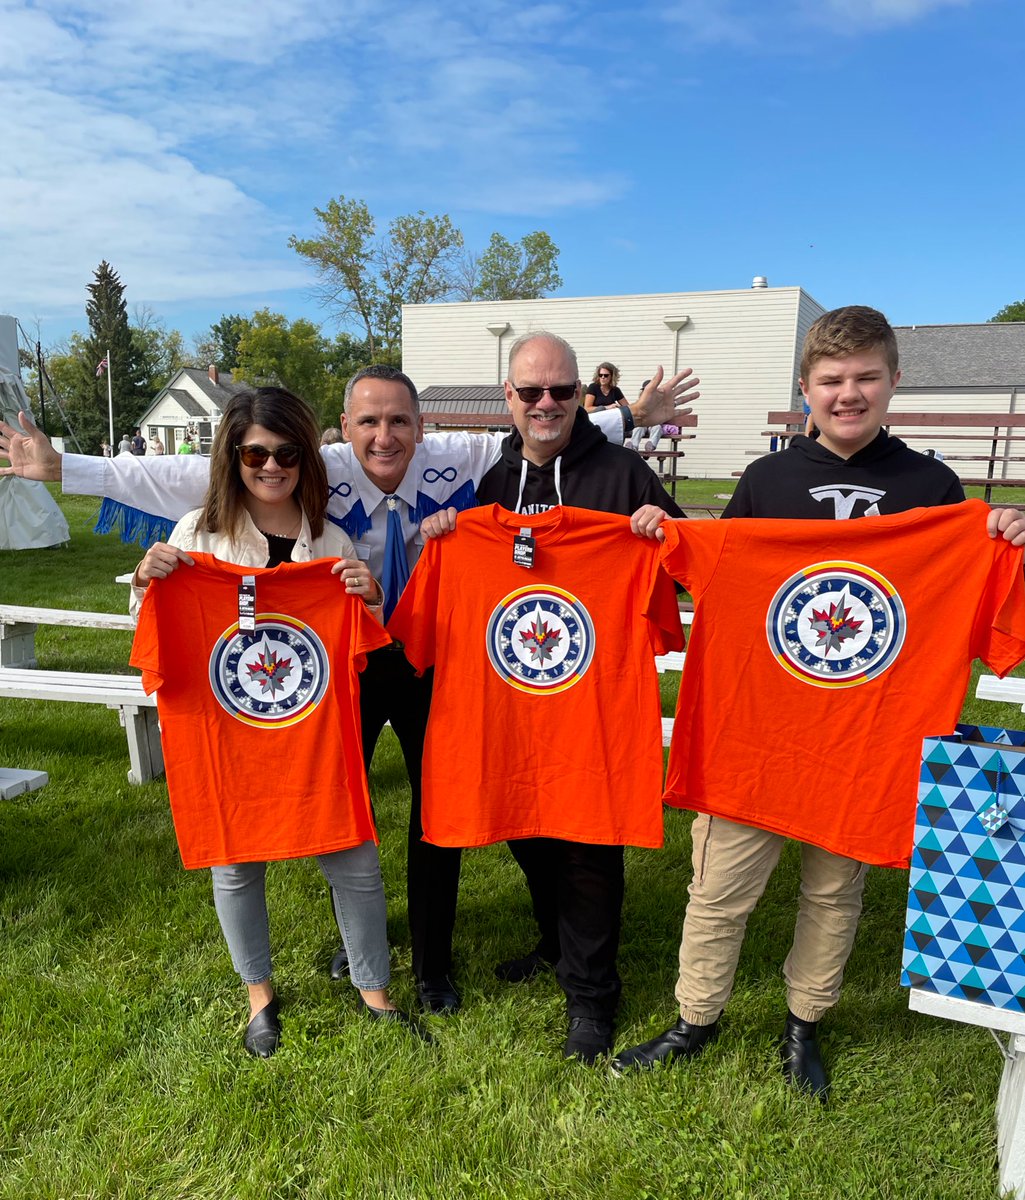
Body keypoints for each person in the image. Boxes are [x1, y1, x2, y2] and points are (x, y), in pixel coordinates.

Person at [0, 359, 700, 1017]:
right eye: (368, 422)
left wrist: (630, 415)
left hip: (429, 654)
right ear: (345, 425)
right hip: (341, 658)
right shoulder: (316, 464)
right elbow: (189, 473)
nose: (384, 435)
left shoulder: (460, 456)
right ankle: (359, 941)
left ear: (421, 426)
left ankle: (432, 964)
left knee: (439, 808)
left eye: (399, 421)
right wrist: (64, 465)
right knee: (338, 798)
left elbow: (536, 421)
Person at [612, 305, 1025, 1100]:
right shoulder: (766, 480)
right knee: (717, 887)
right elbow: (725, 574)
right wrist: (666, 532)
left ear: (893, 381)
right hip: (757, 730)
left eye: (865, 377)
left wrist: (1000, 532)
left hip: (865, 738)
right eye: (831, 380)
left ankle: (804, 1022)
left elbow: (969, 593)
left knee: (833, 892)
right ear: (805, 388)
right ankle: (694, 1017)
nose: (848, 393)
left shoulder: (932, 488)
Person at [130, 385, 427, 1058]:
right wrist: (149, 583)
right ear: (231, 456)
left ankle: (374, 991)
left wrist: (369, 596)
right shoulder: (194, 537)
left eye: (287, 452)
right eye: (255, 453)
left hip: (314, 734)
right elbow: (151, 637)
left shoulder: (328, 538)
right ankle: (258, 997)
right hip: (228, 731)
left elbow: (362, 642)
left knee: (353, 855)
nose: (271, 465)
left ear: (306, 456)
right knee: (236, 864)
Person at [420, 331, 686, 1063]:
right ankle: (555, 944)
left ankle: (593, 996)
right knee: (527, 831)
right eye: (530, 392)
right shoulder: (489, 485)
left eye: (561, 391)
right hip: (512, 713)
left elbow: (692, 562)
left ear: (582, 396)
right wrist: (443, 536)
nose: (546, 404)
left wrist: (662, 535)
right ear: (507, 397)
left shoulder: (623, 474)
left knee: (585, 850)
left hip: (591, 716)